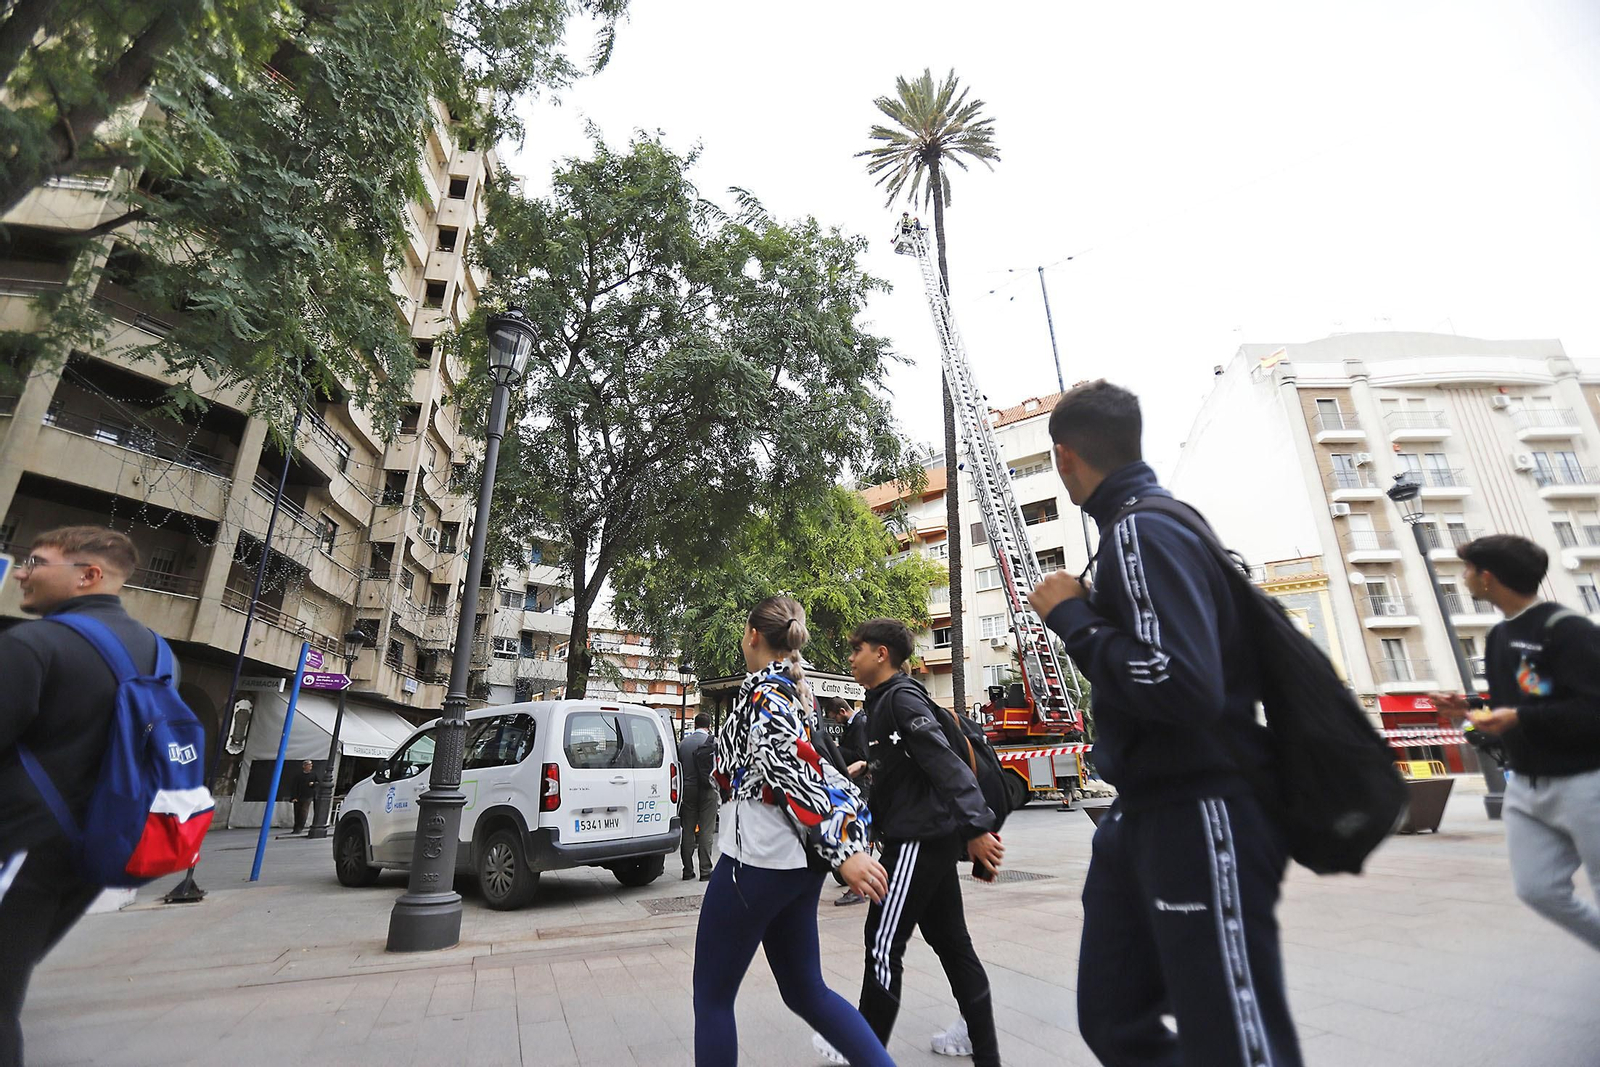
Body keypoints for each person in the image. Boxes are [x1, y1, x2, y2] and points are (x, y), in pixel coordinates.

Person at [1026, 380, 1303, 1067]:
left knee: (1233, 1038)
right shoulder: (1136, 532)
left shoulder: (1144, 530)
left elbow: (1184, 683)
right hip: (1142, 810)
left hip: (1200, 806)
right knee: (1115, 1019)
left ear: (1064, 458)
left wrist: (1073, 617)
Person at [693, 596, 894, 1067]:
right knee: (806, 992)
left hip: (755, 862)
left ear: (752, 636)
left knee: (712, 998)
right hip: (793, 868)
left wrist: (843, 850)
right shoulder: (787, 692)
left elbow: (791, 771)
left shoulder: (764, 694)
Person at [815, 618, 1007, 1067]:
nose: (851, 657)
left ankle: (862, 1050)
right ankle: (988, 1053)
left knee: (883, 944)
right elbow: (912, 764)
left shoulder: (899, 698)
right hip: (926, 835)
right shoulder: (884, 699)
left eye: (857, 649)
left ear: (881, 653)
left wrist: (977, 827)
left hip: (918, 839)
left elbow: (942, 760)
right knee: (953, 944)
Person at [0, 527, 156, 1067]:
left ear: (88, 575)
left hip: (20, 845)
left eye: (36, 561)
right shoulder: (158, 655)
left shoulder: (33, 644)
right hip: (99, 850)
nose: (21, 571)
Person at [1430, 534, 1600, 950]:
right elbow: (1518, 702)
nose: (1464, 578)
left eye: (1468, 570)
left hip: (1585, 783)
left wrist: (1518, 716)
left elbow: (1592, 708)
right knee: (1537, 888)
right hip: (1525, 784)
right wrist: (1469, 707)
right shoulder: (1499, 636)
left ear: (1487, 577)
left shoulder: (1569, 630)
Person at [820, 696, 872, 907]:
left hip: (859, 783)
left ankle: (858, 887)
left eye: (834, 717)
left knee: (857, 832)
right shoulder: (856, 723)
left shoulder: (859, 724)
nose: (835, 721)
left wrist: (836, 749)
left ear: (842, 711)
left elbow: (860, 754)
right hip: (856, 783)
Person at [678, 713, 717, 880]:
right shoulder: (713, 742)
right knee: (707, 830)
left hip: (688, 789)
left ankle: (687, 871)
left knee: (688, 829)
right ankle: (705, 871)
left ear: (695, 725)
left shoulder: (683, 744)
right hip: (708, 789)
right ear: (709, 725)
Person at [290, 760, 317, 834]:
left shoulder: (313, 774)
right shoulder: (298, 775)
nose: (310, 766)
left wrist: (313, 784)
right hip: (299, 795)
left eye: (311, 765)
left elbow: (318, 783)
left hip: (308, 795)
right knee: (297, 811)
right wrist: (294, 797)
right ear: (304, 766)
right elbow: (294, 786)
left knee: (303, 811)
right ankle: (296, 826)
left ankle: (300, 827)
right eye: (308, 765)